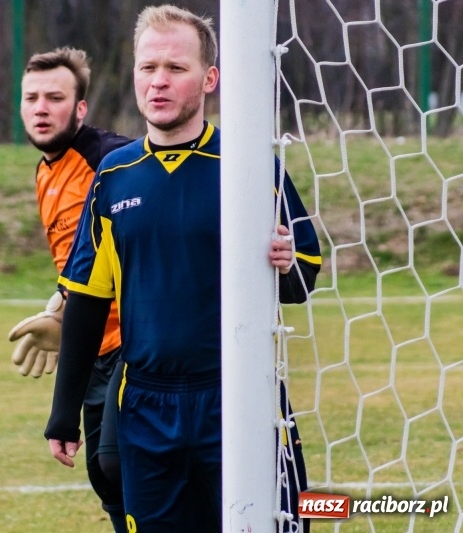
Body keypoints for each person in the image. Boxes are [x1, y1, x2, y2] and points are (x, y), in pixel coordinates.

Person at [44, 5, 322, 532]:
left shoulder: (249, 164)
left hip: (239, 395)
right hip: (145, 404)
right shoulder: (115, 175)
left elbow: (303, 277)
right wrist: (64, 411)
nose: (159, 81)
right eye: (148, 68)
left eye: (176, 68)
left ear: (210, 78)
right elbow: (87, 298)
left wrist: (285, 264)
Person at [6, 46, 132, 533]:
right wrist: (59, 311)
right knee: (105, 475)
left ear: (80, 108)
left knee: (123, 465)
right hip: (92, 345)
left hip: (137, 345)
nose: (40, 108)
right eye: (31, 97)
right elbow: (80, 260)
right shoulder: (44, 172)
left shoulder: (111, 159)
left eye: (54, 97)